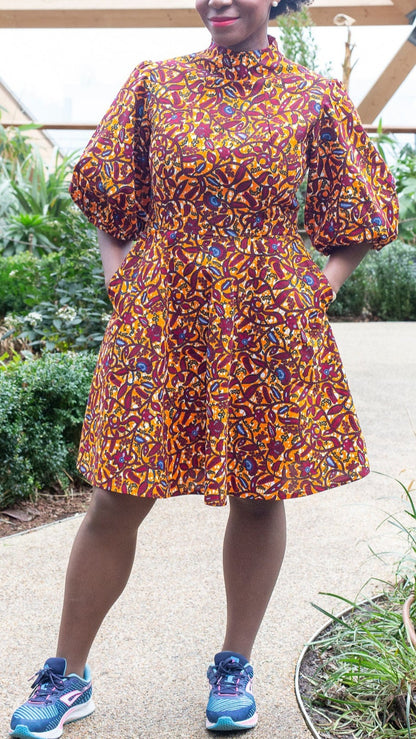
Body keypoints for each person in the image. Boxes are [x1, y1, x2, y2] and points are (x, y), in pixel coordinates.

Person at [10, 0, 398, 736]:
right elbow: (102, 186)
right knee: (118, 492)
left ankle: (233, 664)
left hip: (265, 316)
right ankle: (67, 675)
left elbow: (363, 208)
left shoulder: (311, 96)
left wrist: (325, 281)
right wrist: (116, 270)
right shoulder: (155, 83)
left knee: (258, 489)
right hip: (160, 311)